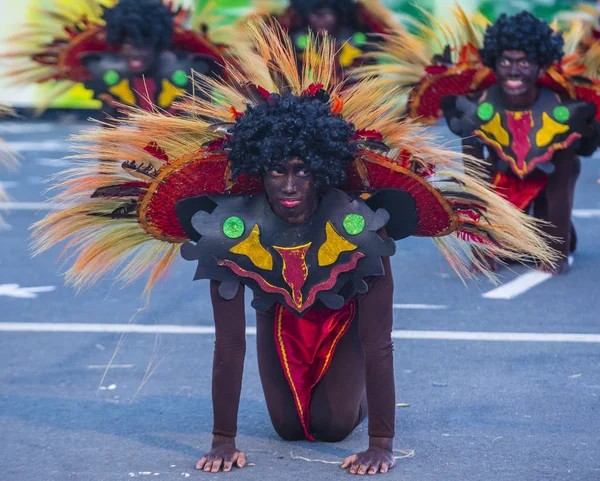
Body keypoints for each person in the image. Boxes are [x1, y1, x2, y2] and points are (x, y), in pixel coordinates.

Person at [31, 21, 557, 475]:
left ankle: (353, 401)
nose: (288, 185)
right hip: (279, 323)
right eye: (277, 171)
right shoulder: (228, 230)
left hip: (345, 326)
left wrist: (380, 444)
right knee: (287, 430)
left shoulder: (359, 225)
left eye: (302, 171)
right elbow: (227, 346)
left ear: (323, 172)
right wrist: (222, 439)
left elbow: (381, 344)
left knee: (328, 429)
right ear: (258, 171)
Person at [440, 12, 599, 274]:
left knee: (550, 238)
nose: (514, 70)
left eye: (524, 62)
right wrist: (481, 251)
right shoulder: (475, 107)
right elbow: (475, 185)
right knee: (511, 250)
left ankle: (552, 238)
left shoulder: (565, 112)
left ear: (540, 66)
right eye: (505, 61)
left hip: (548, 184)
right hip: (501, 185)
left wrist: (555, 255)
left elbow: (560, 188)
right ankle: (510, 238)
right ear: (494, 63)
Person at [2, 0, 227, 116]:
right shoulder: (106, 71)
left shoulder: (189, 70)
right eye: (128, 43)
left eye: (143, 44)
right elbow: (109, 128)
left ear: (159, 44)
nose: (135, 52)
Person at [248, 0, 395, 80]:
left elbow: (392, 39)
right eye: (314, 15)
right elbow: (258, 47)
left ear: (339, 15)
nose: (319, 21)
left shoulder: (363, 30)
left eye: (324, 15)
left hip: (362, 102)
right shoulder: (293, 32)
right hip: (309, 104)